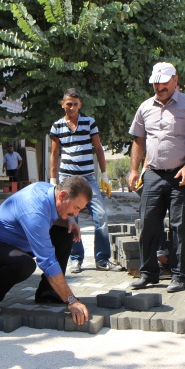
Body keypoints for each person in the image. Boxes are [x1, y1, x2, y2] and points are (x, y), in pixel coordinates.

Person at [0, 176, 91, 325]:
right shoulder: (34, 211)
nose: (77, 213)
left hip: (22, 243)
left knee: (66, 230)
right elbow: (47, 261)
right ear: (62, 196)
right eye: (76, 208)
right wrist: (71, 300)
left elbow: (62, 214)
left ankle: (48, 293)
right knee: (24, 265)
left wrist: (71, 219)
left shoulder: (49, 191)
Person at [128, 62, 185, 293]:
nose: (159, 86)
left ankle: (179, 276)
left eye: (164, 82)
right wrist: (134, 170)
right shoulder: (145, 107)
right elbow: (138, 140)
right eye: (155, 83)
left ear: (175, 80)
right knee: (148, 224)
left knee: (180, 227)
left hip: (182, 175)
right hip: (153, 174)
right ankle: (149, 273)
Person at [49, 88, 122, 273]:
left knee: (101, 215)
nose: (72, 107)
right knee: (70, 218)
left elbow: (98, 149)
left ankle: (103, 259)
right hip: (67, 179)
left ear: (80, 104)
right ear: (62, 104)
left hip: (88, 178)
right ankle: (75, 259)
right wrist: (52, 178)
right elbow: (54, 153)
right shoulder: (57, 126)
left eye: (75, 104)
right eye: (68, 104)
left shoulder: (89, 123)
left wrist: (104, 174)